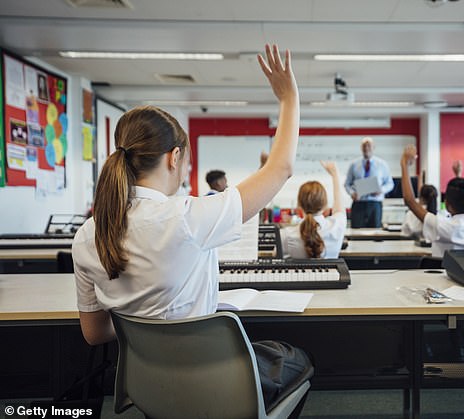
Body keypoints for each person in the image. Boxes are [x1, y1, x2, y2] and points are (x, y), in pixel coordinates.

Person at [71, 44, 312, 417]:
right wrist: (289, 97)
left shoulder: (89, 234)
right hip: (215, 389)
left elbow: (94, 333)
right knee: (294, 357)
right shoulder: (186, 217)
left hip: (149, 388)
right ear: (174, 157)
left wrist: (147, 319)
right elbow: (279, 169)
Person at [400, 145, 464, 258]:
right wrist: (458, 175)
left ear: (447, 205)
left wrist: (404, 164)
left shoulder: (441, 226)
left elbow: (410, 201)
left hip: (444, 274)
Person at [281, 161, 346, 259]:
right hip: (331, 275)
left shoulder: (286, 235)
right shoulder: (337, 226)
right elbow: (339, 207)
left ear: (299, 205)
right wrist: (334, 174)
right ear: (325, 205)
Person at [401, 161, 460, 239]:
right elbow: (458, 198)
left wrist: (404, 164)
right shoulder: (443, 216)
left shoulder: (412, 214)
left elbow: (404, 235)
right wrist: (458, 175)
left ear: (420, 198)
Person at [344, 137, 394, 228]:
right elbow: (347, 184)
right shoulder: (354, 165)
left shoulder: (382, 164)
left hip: (375, 204)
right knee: (356, 232)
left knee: (375, 233)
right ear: (361, 148)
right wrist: (352, 193)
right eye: (364, 146)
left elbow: (390, 184)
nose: (366, 148)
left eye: (369, 145)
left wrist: (381, 190)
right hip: (359, 203)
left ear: (373, 147)